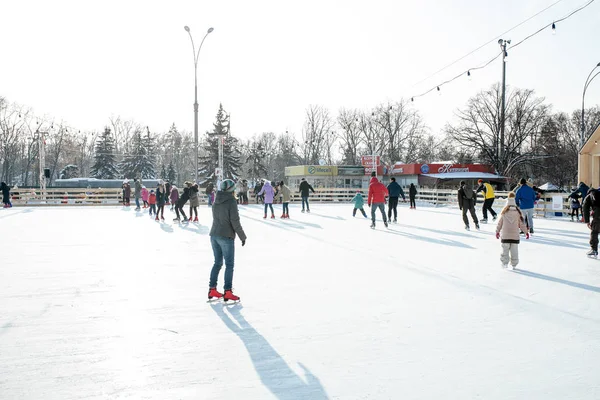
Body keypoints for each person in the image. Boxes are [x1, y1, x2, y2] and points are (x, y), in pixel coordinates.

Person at [208, 179, 247, 302]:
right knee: (229, 264)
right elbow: (234, 221)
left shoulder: (216, 200)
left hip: (214, 234)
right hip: (226, 236)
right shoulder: (231, 201)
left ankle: (212, 288)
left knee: (217, 263)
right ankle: (228, 291)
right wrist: (242, 236)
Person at [495, 191, 529, 269]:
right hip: (515, 235)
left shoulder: (504, 212)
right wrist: (526, 232)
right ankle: (514, 264)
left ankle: (504, 263)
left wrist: (497, 231)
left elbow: (500, 223)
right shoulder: (518, 212)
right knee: (514, 251)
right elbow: (522, 224)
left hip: (505, 235)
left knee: (505, 250)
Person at [583, 187, 600, 257]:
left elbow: (585, 208)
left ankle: (594, 250)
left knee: (594, 232)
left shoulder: (589, 196)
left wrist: (587, 221)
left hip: (598, 216)